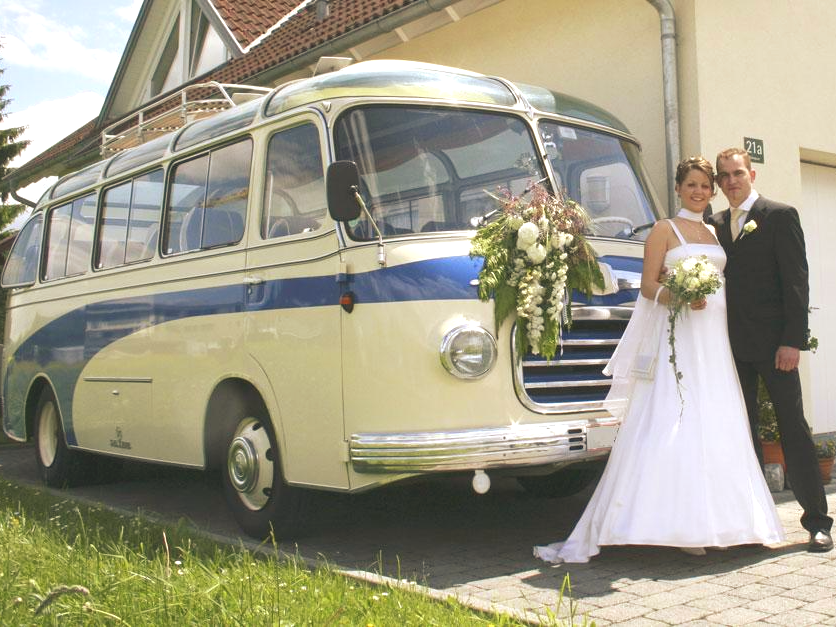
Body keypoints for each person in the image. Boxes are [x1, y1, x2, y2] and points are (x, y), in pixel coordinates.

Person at [533, 156, 785, 564]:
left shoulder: (716, 230)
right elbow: (649, 287)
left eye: (705, 185)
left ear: (713, 190)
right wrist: (680, 296)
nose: (699, 191)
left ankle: (731, 522)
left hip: (715, 340)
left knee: (719, 419)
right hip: (680, 336)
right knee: (675, 416)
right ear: (679, 188)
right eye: (692, 185)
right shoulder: (663, 231)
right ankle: (675, 525)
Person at [708, 147, 833, 553]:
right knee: (742, 434)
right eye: (723, 175)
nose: (731, 181)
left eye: (737, 173)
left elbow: (796, 282)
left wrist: (792, 341)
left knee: (792, 429)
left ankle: (818, 521)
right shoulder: (713, 224)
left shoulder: (779, 216)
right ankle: (754, 523)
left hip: (775, 346)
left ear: (752, 175)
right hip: (728, 347)